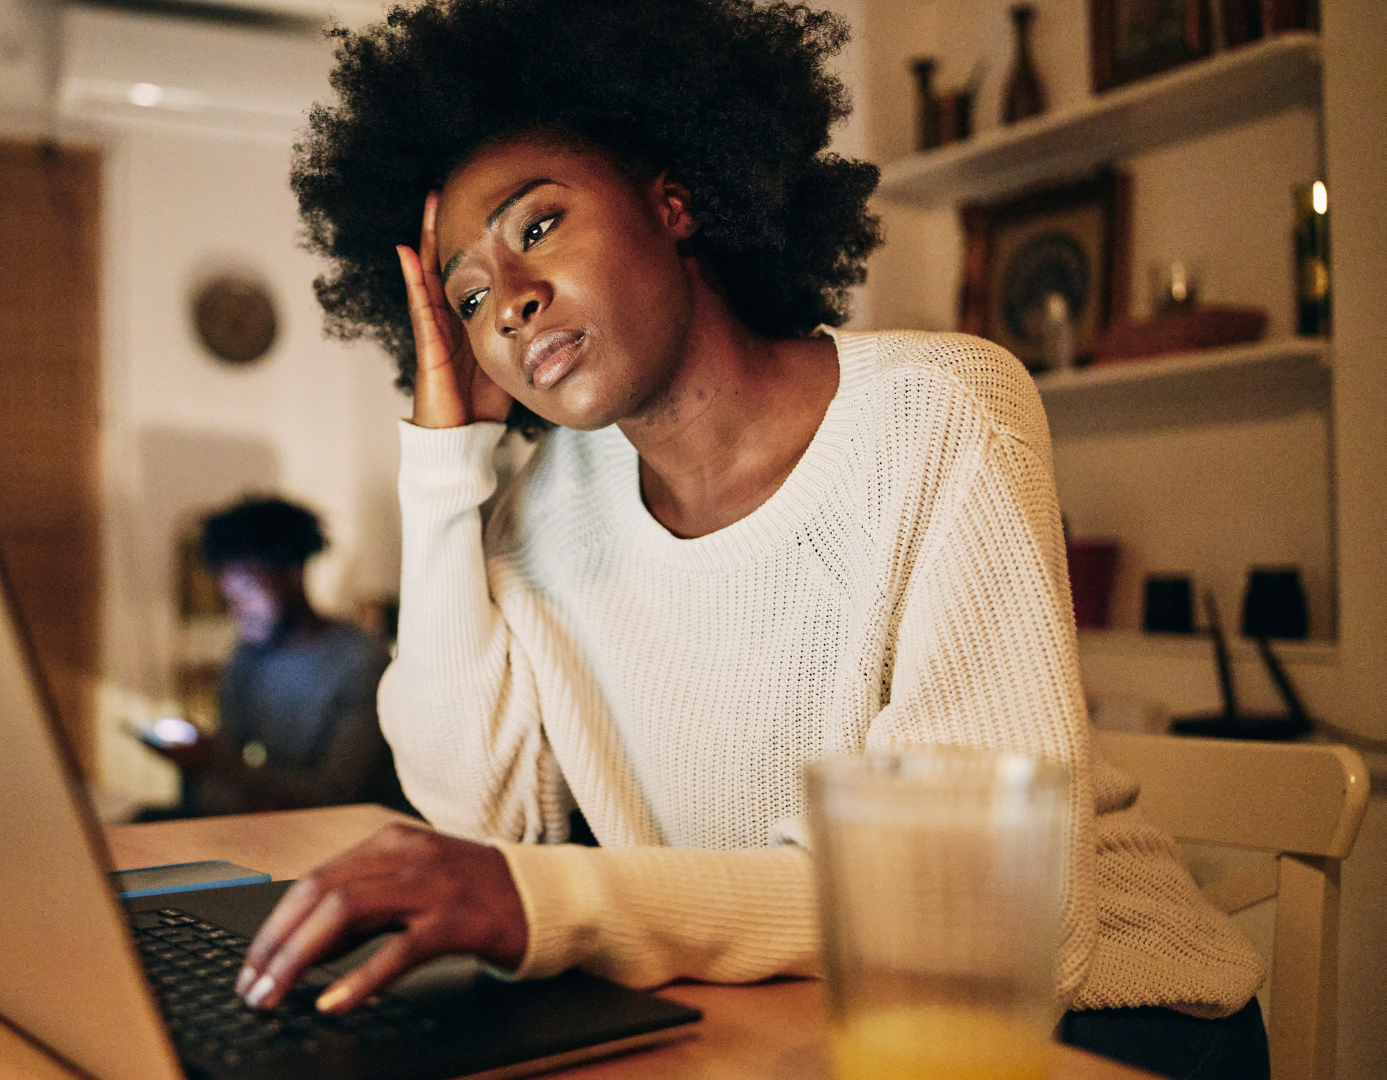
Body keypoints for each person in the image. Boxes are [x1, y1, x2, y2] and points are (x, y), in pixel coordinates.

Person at [232, 3, 1270, 1078]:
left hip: (1104, 1027)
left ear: (673, 200)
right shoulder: (536, 510)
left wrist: (561, 904)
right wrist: (445, 468)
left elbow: (992, 918)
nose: (513, 306)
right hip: (788, 1010)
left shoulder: (943, 413)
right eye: (471, 295)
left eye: (537, 228)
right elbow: (481, 817)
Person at [144, 497, 408, 818]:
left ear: (292, 575)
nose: (236, 612)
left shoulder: (360, 661)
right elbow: (230, 757)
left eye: (246, 593)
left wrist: (214, 761)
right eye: (230, 598)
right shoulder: (247, 656)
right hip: (251, 828)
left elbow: (337, 793)